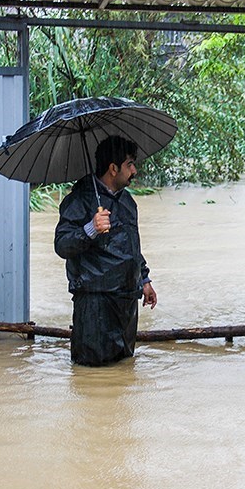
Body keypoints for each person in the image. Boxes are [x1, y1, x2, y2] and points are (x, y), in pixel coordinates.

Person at [54, 135, 157, 366]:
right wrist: (90, 228)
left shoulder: (128, 202)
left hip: (127, 299)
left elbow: (132, 246)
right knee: (93, 374)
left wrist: (144, 279)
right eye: (130, 164)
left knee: (123, 370)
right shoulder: (79, 200)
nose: (134, 170)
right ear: (113, 168)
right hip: (95, 303)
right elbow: (61, 245)